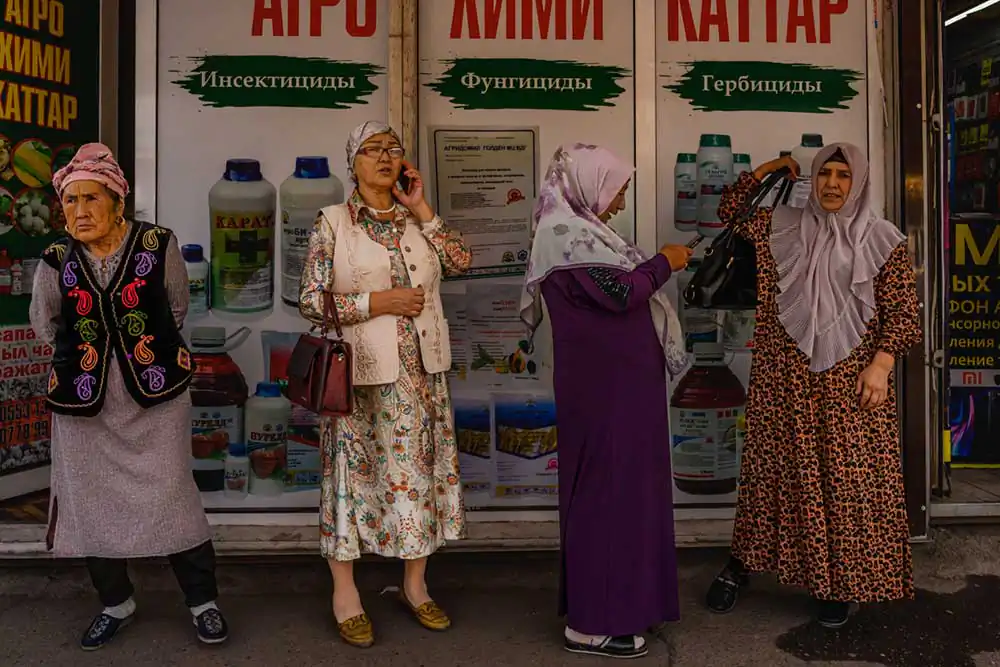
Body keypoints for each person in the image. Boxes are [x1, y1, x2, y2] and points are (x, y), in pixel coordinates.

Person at [704, 143, 922, 628]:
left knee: (844, 482)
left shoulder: (881, 240)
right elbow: (729, 211)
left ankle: (837, 583)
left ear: (858, 183)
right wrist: (769, 169)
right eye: (825, 173)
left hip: (848, 386)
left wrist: (882, 364)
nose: (832, 184)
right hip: (782, 383)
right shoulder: (780, 226)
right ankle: (740, 566)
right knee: (769, 478)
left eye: (844, 176)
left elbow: (904, 314)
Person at [29, 143, 227, 650]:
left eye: (91, 198)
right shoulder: (55, 259)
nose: (79, 210)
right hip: (84, 405)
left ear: (119, 202)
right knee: (90, 502)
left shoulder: (157, 244)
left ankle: (203, 601)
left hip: (155, 399)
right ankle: (116, 602)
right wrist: (89, 357)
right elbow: (45, 323)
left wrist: (135, 355)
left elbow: (176, 308)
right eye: (70, 200)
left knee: (174, 496)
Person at [298, 121, 471, 648]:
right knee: (350, 480)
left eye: (392, 149)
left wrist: (422, 208)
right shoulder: (333, 222)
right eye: (371, 150)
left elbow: (460, 261)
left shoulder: (415, 220)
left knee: (420, 477)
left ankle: (415, 585)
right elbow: (311, 300)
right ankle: (345, 594)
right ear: (352, 163)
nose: (383, 157)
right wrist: (379, 302)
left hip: (421, 378)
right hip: (359, 380)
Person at [520, 143, 693, 659]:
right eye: (617, 190)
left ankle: (629, 606)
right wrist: (666, 262)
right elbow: (620, 293)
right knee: (604, 496)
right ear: (588, 184)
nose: (619, 203)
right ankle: (591, 624)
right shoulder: (564, 235)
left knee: (630, 495)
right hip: (604, 393)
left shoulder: (584, 232)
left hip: (623, 390)